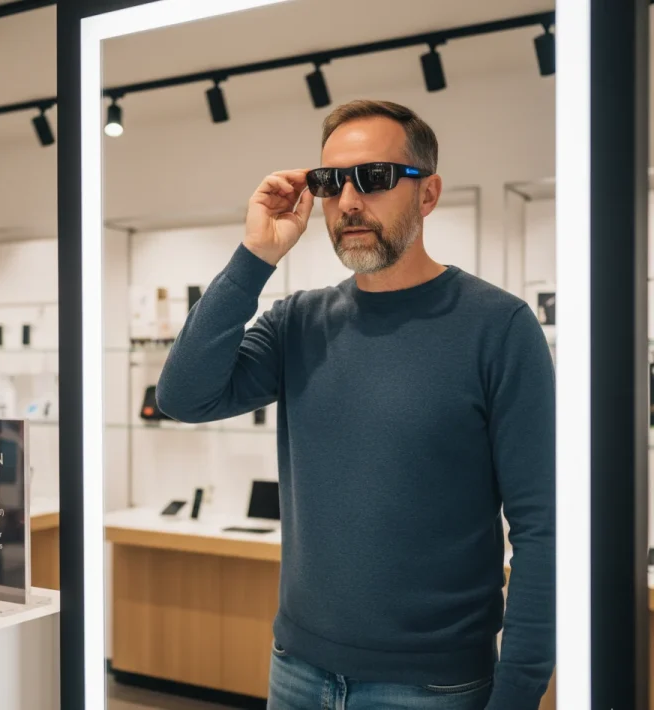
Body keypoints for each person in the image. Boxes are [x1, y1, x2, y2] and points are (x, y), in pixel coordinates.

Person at [156, 100, 555, 710]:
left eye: (374, 178)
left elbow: (543, 527)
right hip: (296, 671)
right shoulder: (298, 321)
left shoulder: (498, 326)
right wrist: (255, 258)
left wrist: (519, 693)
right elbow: (182, 396)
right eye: (329, 182)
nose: (347, 202)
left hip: (433, 686)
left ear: (428, 194)